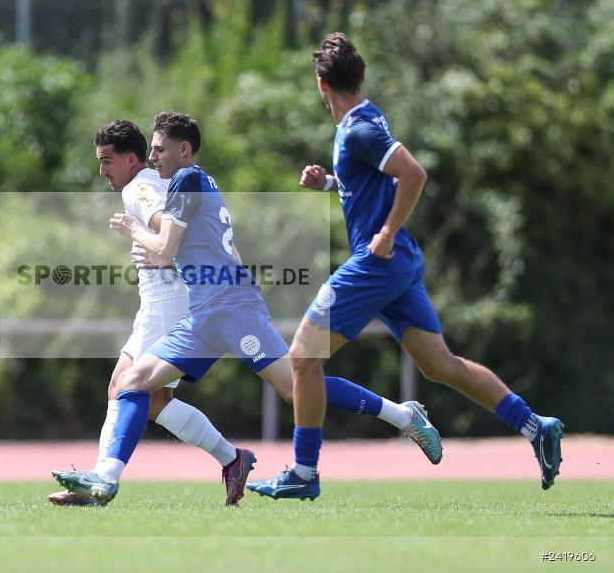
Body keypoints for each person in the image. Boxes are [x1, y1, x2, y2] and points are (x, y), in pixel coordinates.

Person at [51, 113, 442, 506]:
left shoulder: (184, 181)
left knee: (294, 388)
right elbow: (218, 248)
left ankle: (403, 416)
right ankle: (106, 479)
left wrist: (136, 232)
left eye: (159, 149)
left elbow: (166, 248)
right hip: (205, 313)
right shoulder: (199, 181)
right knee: (133, 382)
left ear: (183, 150)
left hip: (231, 310)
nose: (153, 157)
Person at [248, 33, 564, 500]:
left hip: (376, 263)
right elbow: (372, 183)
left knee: (303, 357)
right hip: (398, 265)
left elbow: (413, 174)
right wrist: (329, 183)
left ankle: (303, 472)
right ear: (360, 77)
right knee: (440, 365)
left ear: (321, 85)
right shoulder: (365, 120)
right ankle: (535, 425)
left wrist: (387, 232)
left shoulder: (358, 129)